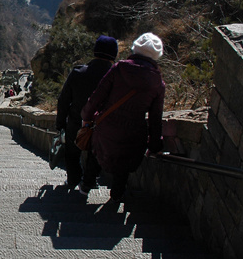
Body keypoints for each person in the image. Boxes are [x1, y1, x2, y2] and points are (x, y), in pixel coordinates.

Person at [80, 33, 166, 204]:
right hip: (134, 131)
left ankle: (85, 187)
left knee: (97, 154)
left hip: (107, 125)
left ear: (136, 48)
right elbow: (156, 118)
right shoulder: (158, 82)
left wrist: (86, 117)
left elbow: (97, 96)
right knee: (123, 165)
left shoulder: (119, 68)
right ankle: (116, 196)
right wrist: (154, 144)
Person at [55, 35, 118, 195]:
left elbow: (63, 100)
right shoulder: (116, 77)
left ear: (95, 51)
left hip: (76, 122)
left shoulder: (78, 72)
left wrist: (60, 123)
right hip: (103, 125)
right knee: (95, 152)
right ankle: (88, 181)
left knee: (72, 153)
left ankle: (74, 179)